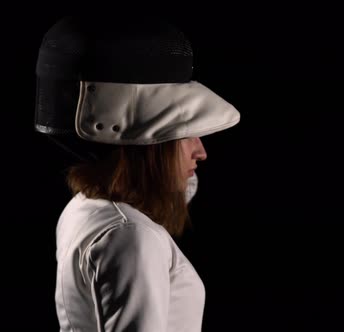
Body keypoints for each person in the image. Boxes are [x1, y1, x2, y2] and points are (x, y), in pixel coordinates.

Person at [34, 14, 240, 332]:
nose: (201, 152)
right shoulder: (130, 234)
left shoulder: (87, 207)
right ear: (149, 145)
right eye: (186, 135)